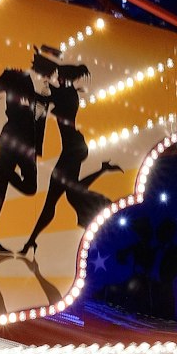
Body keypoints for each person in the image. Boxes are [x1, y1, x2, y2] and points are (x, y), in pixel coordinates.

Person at [20, 60, 117, 256]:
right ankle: (30, 242)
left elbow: (44, 97)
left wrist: (29, 87)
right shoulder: (68, 93)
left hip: (73, 148)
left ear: (64, 78)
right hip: (73, 148)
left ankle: (30, 242)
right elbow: (46, 96)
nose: (58, 79)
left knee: (56, 199)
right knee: (65, 196)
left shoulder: (67, 94)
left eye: (60, 77)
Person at [0, 43, 60, 256]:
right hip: (11, 137)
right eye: (50, 64)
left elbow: (42, 118)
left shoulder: (49, 89)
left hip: (29, 145)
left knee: (30, 187)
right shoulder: (14, 77)